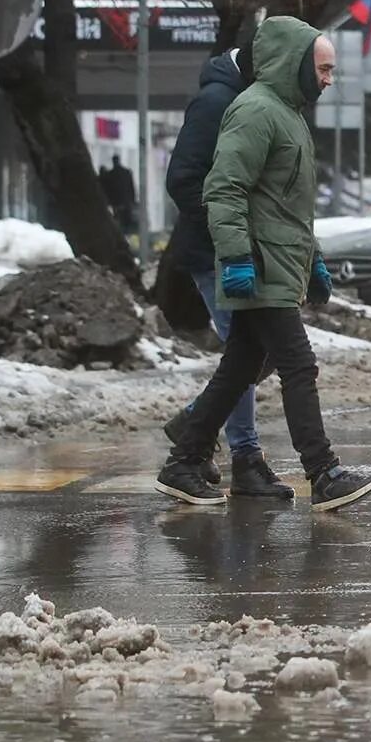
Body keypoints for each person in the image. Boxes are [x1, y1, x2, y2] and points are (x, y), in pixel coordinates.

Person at [154, 16, 371, 512]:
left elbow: (290, 208)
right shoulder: (255, 111)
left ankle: (184, 457)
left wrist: (314, 262)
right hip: (257, 265)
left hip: (278, 263)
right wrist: (237, 257)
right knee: (297, 365)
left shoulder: (288, 114)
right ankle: (323, 474)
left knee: (241, 367)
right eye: (323, 69)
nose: (329, 79)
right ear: (295, 64)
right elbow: (223, 189)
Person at [159, 42, 289, 499]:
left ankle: (199, 426)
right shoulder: (216, 101)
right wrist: (228, 231)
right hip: (216, 253)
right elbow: (182, 177)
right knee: (250, 353)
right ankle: (241, 457)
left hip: (243, 251)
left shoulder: (249, 98)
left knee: (255, 352)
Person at [104, 153, 138, 235]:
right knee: (126, 221)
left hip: (117, 203)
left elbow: (108, 190)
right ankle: (126, 234)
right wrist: (133, 200)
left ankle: (122, 234)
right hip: (125, 202)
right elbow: (131, 187)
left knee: (119, 221)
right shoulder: (126, 172)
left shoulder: (110, 174)